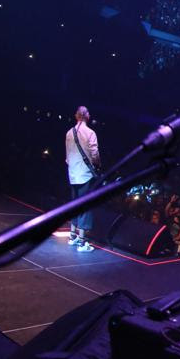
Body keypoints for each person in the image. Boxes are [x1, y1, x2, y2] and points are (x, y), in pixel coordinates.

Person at [64, 106, 100, 253]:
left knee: (74, 204)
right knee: (85, 206)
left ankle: (72, 236)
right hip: (85, 174)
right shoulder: (90, 133)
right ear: (87, 116)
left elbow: (67, 156)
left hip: (72, 174)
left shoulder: (69, 132)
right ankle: (82, 242)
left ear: (76, 116)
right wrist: (97, 165)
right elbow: (95, 154)